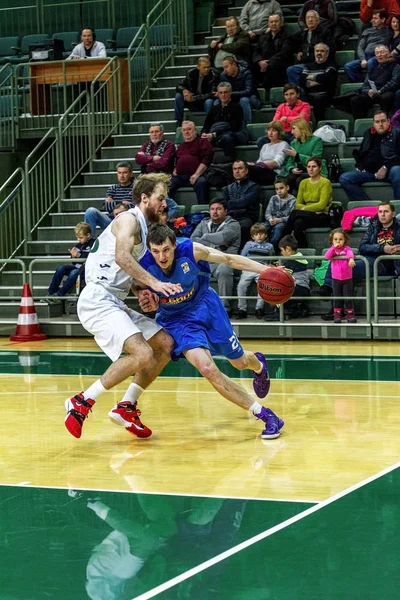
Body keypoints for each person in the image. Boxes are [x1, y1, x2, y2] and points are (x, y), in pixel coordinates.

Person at [64, 173, 183, 440]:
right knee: (142, 354)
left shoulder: (142, 227)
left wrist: (141, 291)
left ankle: (127, 406)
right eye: (160, 198)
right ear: (144, 198)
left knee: (165, 343)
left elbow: (122, 271)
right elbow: (121, 257)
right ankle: (81, 402)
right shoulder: (128, 220)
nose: (164, 204)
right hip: (97, 300)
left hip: (113, 299)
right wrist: (155, 283)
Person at [138, 223, 285, 439]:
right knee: (207, 368)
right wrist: (145, 300)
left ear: (175, 246)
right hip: (177, 320)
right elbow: (137, 287)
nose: (161, 256)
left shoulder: (191, 250)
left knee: (239, 361)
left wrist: (267, 270)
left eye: (166, 250)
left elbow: (229, 259)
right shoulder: (143, 265)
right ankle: (266, 415)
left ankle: (259, 364)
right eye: (156, 251)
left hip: (206, 306)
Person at [191, 198, 241, 317]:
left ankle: (225, 308)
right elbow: (193, 239)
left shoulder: (233, 224)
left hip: (227, 260)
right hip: (207, 259)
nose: (215, 212)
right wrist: (214, 243)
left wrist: (205, 237)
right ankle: (195, 307)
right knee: (190, 267)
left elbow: (223, 238)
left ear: (225, 211)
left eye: (218, 209)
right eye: (212, 209)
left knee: (223, 270)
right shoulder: (204, 222)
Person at [339, 111, 400, 202]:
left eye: (383, 121)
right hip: (370, 172)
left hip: (390, 171)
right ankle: (369, 206)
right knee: (345, 178)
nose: (380, 124)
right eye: (377, 122)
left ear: (388, 121)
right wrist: (360, 166)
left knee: (397, 170)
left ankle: (398, 206)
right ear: (373, 123)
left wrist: (385, 167)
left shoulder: (397, 133)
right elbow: (362, 152)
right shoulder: (368, 133)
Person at [335, 45, 400, 119]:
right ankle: (360, 121)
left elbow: (394, 82)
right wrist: (368, 91)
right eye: (377, 53)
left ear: (388, 53)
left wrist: (380, 91)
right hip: (373, 93)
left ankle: (384, 120)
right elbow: (365, 85)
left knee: (386, 97)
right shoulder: (372, 67)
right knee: (355, 100)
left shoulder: (395, 66)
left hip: (386, 92)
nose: (379, 55)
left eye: (382, 52)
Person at [281, 156, 332, 247]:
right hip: (306, 214)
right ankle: (303, 250)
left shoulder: (325, 182)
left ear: (320, 168)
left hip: (322, 215)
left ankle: (282, 242)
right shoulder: (303, 182)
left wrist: (304, 209)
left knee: (295, 213)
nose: (311, 169)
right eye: (308, 167)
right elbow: (298, 204)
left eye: (314, 167)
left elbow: (321, 205)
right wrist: (308, 209)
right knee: (298, 223)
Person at [43, 222, 94, 302]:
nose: (78, 240)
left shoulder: (93, 244)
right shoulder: (78, 245)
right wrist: (73, 256)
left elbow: (92, 256)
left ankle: (59, 295)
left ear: (88, 235)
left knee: (74, 272)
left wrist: (79, 255)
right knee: (60, 268)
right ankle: (51, 292)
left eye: (81, 237)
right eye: (77, 237)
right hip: (77, 266)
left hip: (85, 269)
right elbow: (74, 262)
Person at [84, 162, 134, 238]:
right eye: (119, 173)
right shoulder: (112, 188)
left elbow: (133, 207)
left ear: (130, 174)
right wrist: (123, 203)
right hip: (111, 222)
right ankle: (89, 242)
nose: (121, 176)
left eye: (125, 173)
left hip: (128, 222)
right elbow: (108, 207)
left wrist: (115, 203)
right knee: (90, 211)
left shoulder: (135, 188)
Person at [169, 120, 214, 205]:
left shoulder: (202, 142)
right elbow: (178, 160)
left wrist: (196, 175)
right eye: (184, 130)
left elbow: (206, 160)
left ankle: (203, 210)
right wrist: (175, 168)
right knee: (167, 185)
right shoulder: (181, 146)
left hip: (198, 174)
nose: (186, 132)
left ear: (195, 130)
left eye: (189, 129)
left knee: (202, 183)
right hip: (181, 176)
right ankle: (170, 211)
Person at [201, 82, 249, 161]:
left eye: (225, 92)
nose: (223, 95)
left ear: (230, 93)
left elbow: (234, 126)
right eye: (221, 93)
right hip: (216, 135)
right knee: (201, 140)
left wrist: (214, 134)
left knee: (227, 138)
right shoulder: (214, 108)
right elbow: (207, 124)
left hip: (234, 134)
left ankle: (230, 162)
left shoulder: (237, 107)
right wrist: (204, 134)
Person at [236, 222, 274, 319]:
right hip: (249, 268)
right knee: (241, 286)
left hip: (262, 269)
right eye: (256, 234)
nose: (259, 236)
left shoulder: (269, 246)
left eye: (261, 234)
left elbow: (270, 259)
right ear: (253, 236)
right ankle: (242, 309)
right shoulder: (249, 244)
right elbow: (242, 256)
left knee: (263, 286)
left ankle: (259, 308)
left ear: (265, 235)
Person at [287, 10, 334, 86]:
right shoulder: (303, 34)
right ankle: (297, 93)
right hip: (305, 63)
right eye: (308, 18)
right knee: (291, 70)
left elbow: (328, 50)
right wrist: (298, 51)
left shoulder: (325, 32)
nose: (310, 20)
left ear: (318, 20)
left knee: (293, 70)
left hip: (319, 63)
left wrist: (304, 58)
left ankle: (301, 92)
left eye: (312, 17)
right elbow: (289, 40)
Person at [344, 10, 391, 82]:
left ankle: (369, 85)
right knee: (348, 66)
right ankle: (359, 85)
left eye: (376, 18)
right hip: (366, 57)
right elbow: (360, 47)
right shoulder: (367, 31)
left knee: (370, 63)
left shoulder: (389, 31)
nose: (373, 20)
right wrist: (363, 59)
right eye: (373, 18)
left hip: (378, 57)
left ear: (383, 19)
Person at [281, 117, 328, 191]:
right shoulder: (294, 143)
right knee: (287, 181)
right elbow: (290, 160)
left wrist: (297, 155)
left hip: (313, 169)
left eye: (294, 129)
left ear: (302, 129)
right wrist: (291, 168)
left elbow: (316, 160)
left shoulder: (316, 141)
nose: (292, 132)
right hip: (299, 170)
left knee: (300, 180)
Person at [221, 159, 260, 245]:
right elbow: (224, 204)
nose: (237, 171)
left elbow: (244, 203)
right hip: (230, 216)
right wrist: (238, 203)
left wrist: (231, 202)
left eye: (240, 168)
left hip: (246, 217)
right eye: (234, 169)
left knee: (242, 227)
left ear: (246, 171)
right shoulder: (227, 188)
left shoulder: (254, 187)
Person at [174, 57, 219, 127]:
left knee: (209, 101)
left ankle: (209, 124)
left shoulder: (214, 75)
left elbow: (212, 94)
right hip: (192, 101)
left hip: (204, 101)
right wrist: (184, 90)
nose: (207, 69)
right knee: (178, 96)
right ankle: (178, 122)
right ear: (198, 67)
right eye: (204, 67)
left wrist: (194, 98)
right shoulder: (191, 73)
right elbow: (179, 85)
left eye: (208, 67)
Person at [252, 13, 292, 91]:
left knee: (273, 66)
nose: (273, 24)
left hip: (278, 65)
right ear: (268, 24)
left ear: (281, 23)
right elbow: (255, 52)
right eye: (271, 22)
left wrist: (268, 63)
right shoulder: (263, 37)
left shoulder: (287, 37)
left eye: (276, 21)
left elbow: (284, 53)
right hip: (263, 64)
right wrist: (259, 61)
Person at [324, 228, 357, 323]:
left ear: (345, 240)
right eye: (335, 239)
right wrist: (334, 247)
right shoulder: (332, 250)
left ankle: (350, 314)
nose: (338, 241)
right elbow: (327, 256)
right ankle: (337, 315)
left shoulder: (347, 249)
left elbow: (350, 254)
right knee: (337, 297)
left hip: (347, 279)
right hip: (336, 279)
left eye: (340, 239)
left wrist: (351, 259)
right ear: (332, 240)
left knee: (348, 297)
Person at [300, 43, 338, 123]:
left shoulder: (331, 65)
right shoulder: (308, 66)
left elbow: (326, 78)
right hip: (309, 95)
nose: (319, 53)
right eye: (317, 51)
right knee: (299, 101)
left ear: (327, 53)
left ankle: (319, 124)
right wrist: (319, 81)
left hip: (325, 95)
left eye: (322, 51)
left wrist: (310, 77)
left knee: (318, 99)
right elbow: (301, 81)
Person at [277, 234, 310, 319]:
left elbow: (283, 275)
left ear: (288, 249)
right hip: (304, 289)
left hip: (297, 289)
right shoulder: (300, 257)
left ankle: (280, 313)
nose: (281, 253)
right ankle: (298, 308)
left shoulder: (291, 262)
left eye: (282, 250)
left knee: (276, 291)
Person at [219, 56, 260, 125]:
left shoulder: (246, 73)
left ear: (234, 65)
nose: (225, 70)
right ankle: (220, 126)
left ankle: (247, 126)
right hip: (234, 99)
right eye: (223, 68)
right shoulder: (223, 76)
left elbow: (248, 91)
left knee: (243, 100)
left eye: (226, 67)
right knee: (217, 101)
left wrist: (230, 94)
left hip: (251, 98)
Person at [247, 120, 290, 185]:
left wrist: (257, 165)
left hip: (275, 173)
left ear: (279, 133)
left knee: (250, 170)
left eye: (274, 131)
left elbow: (276, 163)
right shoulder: (265, 146)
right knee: (241, 168)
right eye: (269, 130)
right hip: (261, 170)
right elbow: (260, 160)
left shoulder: (283, 144)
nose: (270, 133)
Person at [264, 177, 296, 249]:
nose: (279, 191)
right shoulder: (273, 198)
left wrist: (279, 220)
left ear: (287, 187)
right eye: (277, 189)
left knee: (278, 228)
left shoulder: (293, 200)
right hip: (271, 220)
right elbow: (267, 212)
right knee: (262, 227)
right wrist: (270, 219)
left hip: (283, 222)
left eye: (281, 188)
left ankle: (271, 248)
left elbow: (291, 216)